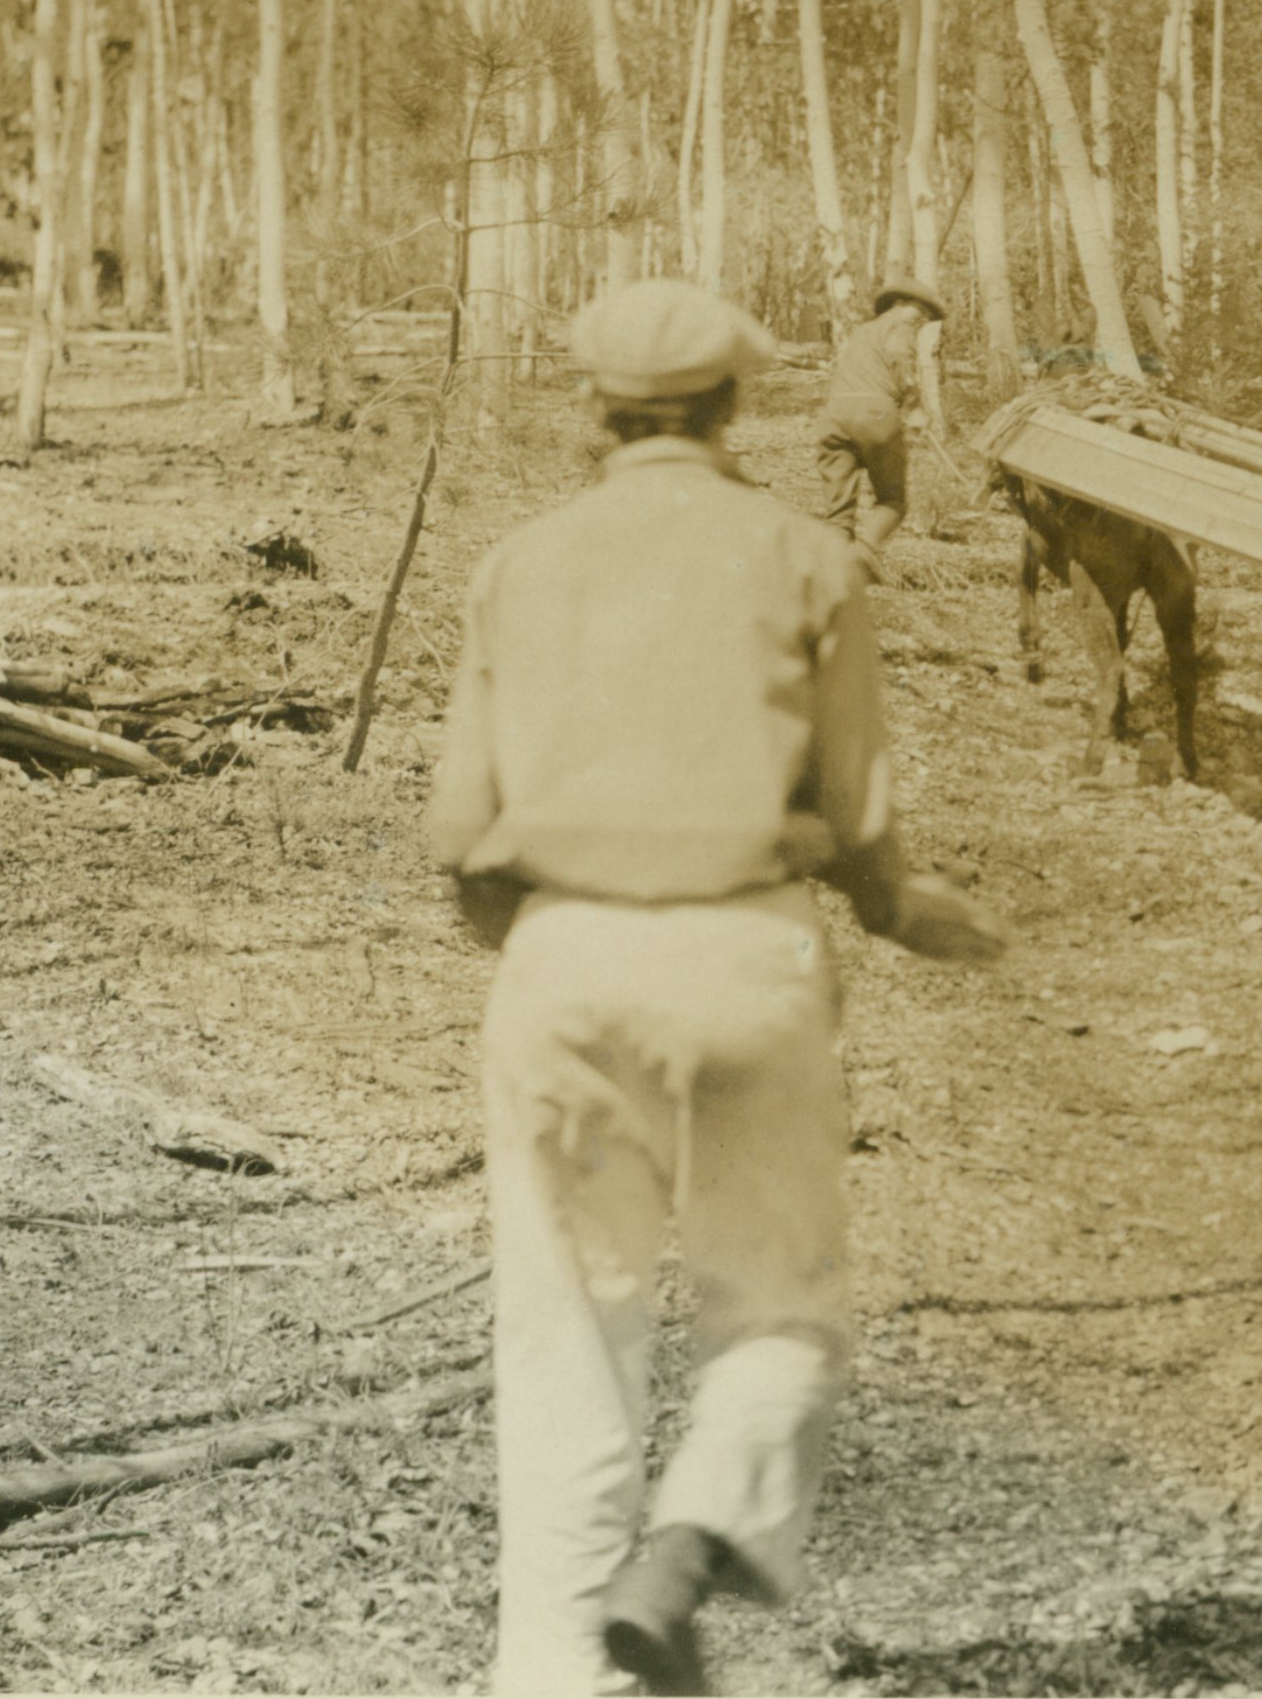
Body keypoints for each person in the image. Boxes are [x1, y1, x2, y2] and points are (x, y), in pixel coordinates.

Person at [430, 277, 1009, 1697]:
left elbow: (454, 841)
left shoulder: (519, 564)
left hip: (562, 958)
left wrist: (554, 926)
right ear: (742, 406)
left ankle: (556, 1681)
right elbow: (864, 824)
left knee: (568, 1332)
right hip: (750, 951)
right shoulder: (807, 558)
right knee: (781, 1309)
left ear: (592, 408)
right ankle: (694, 1534)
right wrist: (905, 911)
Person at [813, 279, 946, 568]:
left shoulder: (862, 332)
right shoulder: (900, 327)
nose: (921, 319)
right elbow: (900, 363)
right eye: (918, 311)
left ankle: (834, 570)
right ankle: (863, 555)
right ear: (897, 305)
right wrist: (915, 408)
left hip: (834, 416)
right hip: (875, 416)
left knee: (839, 513)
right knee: (893, 502)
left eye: (925, 316)